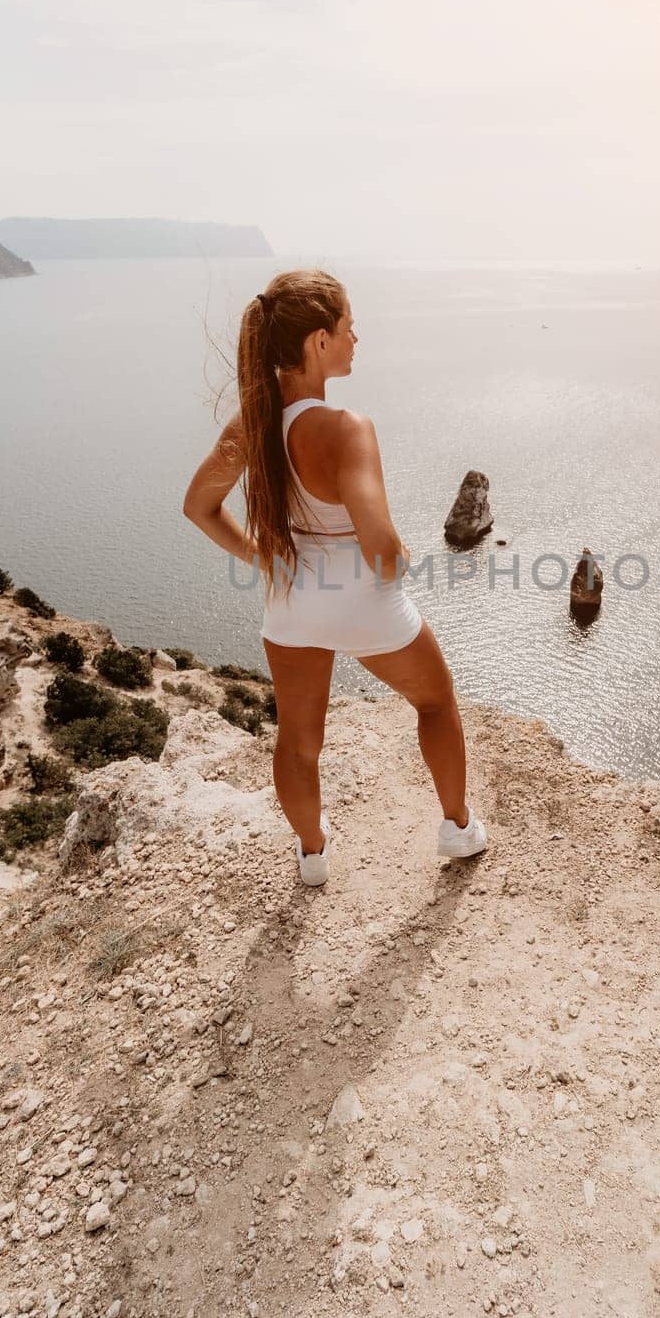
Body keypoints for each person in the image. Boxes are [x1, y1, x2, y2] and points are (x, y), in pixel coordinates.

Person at [182, 268, 488, 887]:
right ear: (318, 340)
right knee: (435, 700)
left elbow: (198, 507)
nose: (356, 339)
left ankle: (313, 855)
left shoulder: (252, 424)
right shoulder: (349, 428)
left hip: (292, 604)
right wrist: (401, 563)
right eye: (349, 328)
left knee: (298, 740)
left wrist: (261, 558)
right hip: (367, 605)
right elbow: (380, 546)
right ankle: (457, 828)